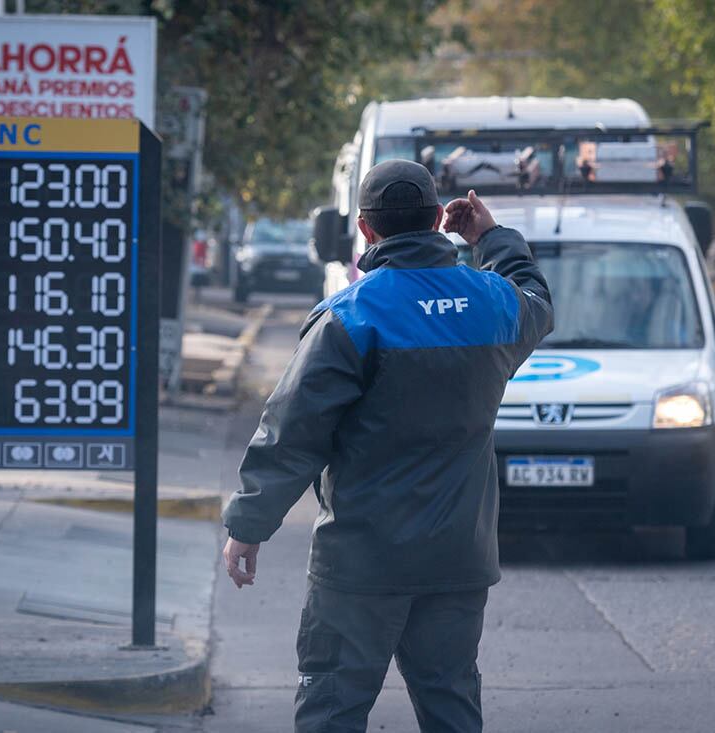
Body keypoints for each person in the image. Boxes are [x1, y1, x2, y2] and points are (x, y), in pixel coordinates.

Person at [221, 160, 553, 732]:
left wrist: (248, 524)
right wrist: (492, 239)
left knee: (332, 712)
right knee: (451, 709)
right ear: (436, 222)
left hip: (361, 564)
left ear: (365, 230)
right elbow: (537, 299)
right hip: (457, 559)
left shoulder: (351, 316)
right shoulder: (491, 304)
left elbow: (293, 431)